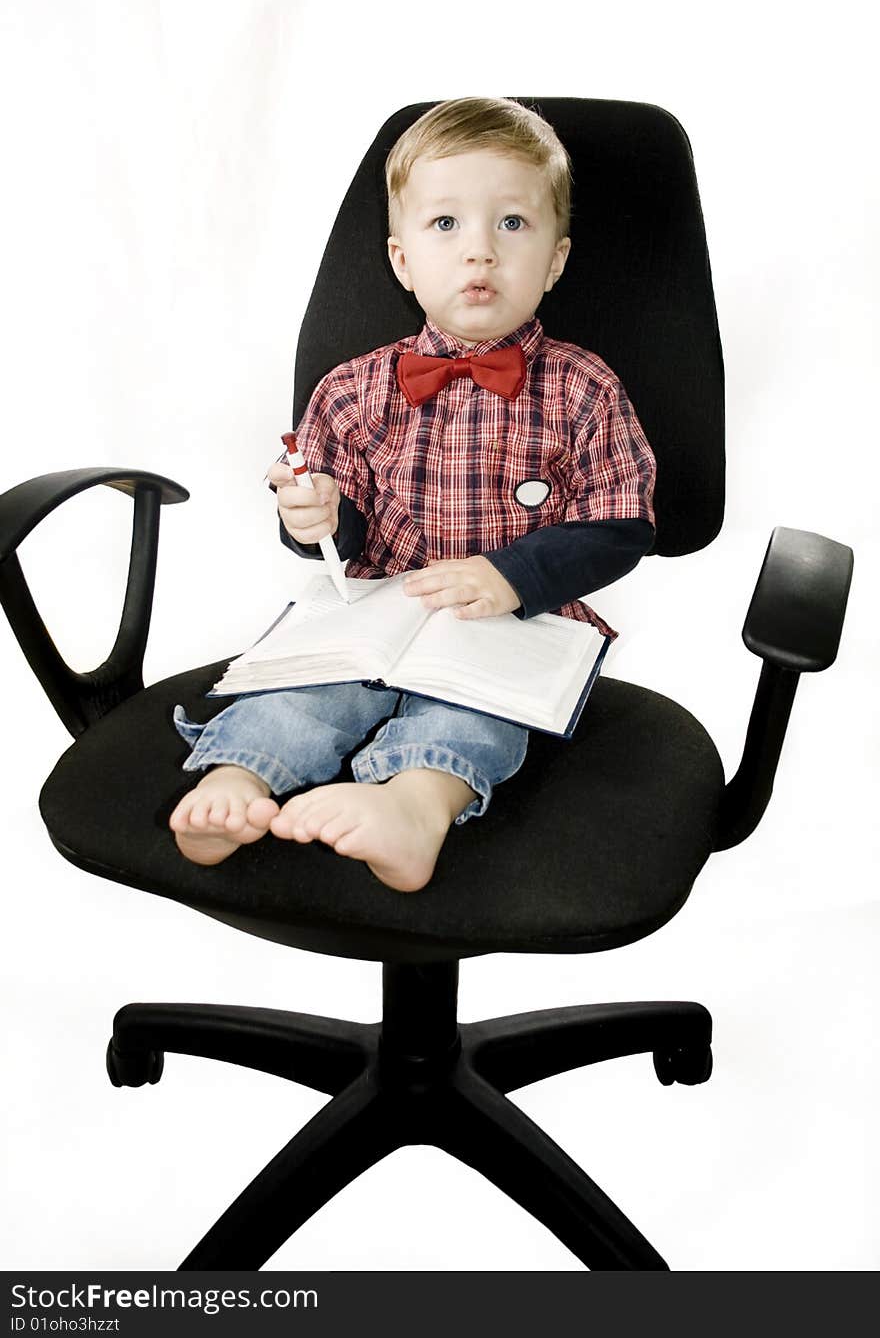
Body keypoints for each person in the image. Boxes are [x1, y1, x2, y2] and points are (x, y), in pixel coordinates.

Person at [169, 97, 656, 892]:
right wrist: (314, 514)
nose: (480, 255)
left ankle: (416, 806)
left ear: (557, 260)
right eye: (446, 226)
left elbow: (620, 521)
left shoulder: (585, 390)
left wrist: (510, 577)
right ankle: (236, 779)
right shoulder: (352, 389)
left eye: (511, 225)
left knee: (473, 713)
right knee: (306, 691)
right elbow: (335, 531)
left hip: (511, 623)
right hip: (376, 613)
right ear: (401, 260)